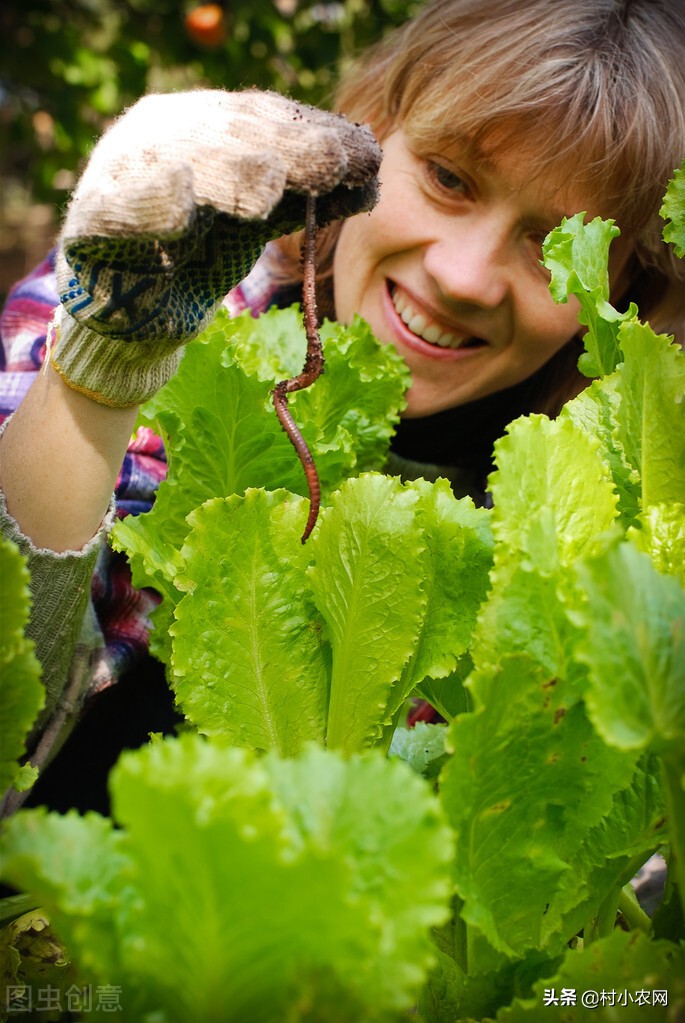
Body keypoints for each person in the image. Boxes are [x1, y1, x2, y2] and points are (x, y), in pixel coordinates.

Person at [1, 0, 684, 812]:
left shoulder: (603, 511)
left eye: (553, 242)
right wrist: (102, 368)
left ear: (626, 294)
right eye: (448, 178)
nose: (462, 275)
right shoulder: (149, 288)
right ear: (365, 135)